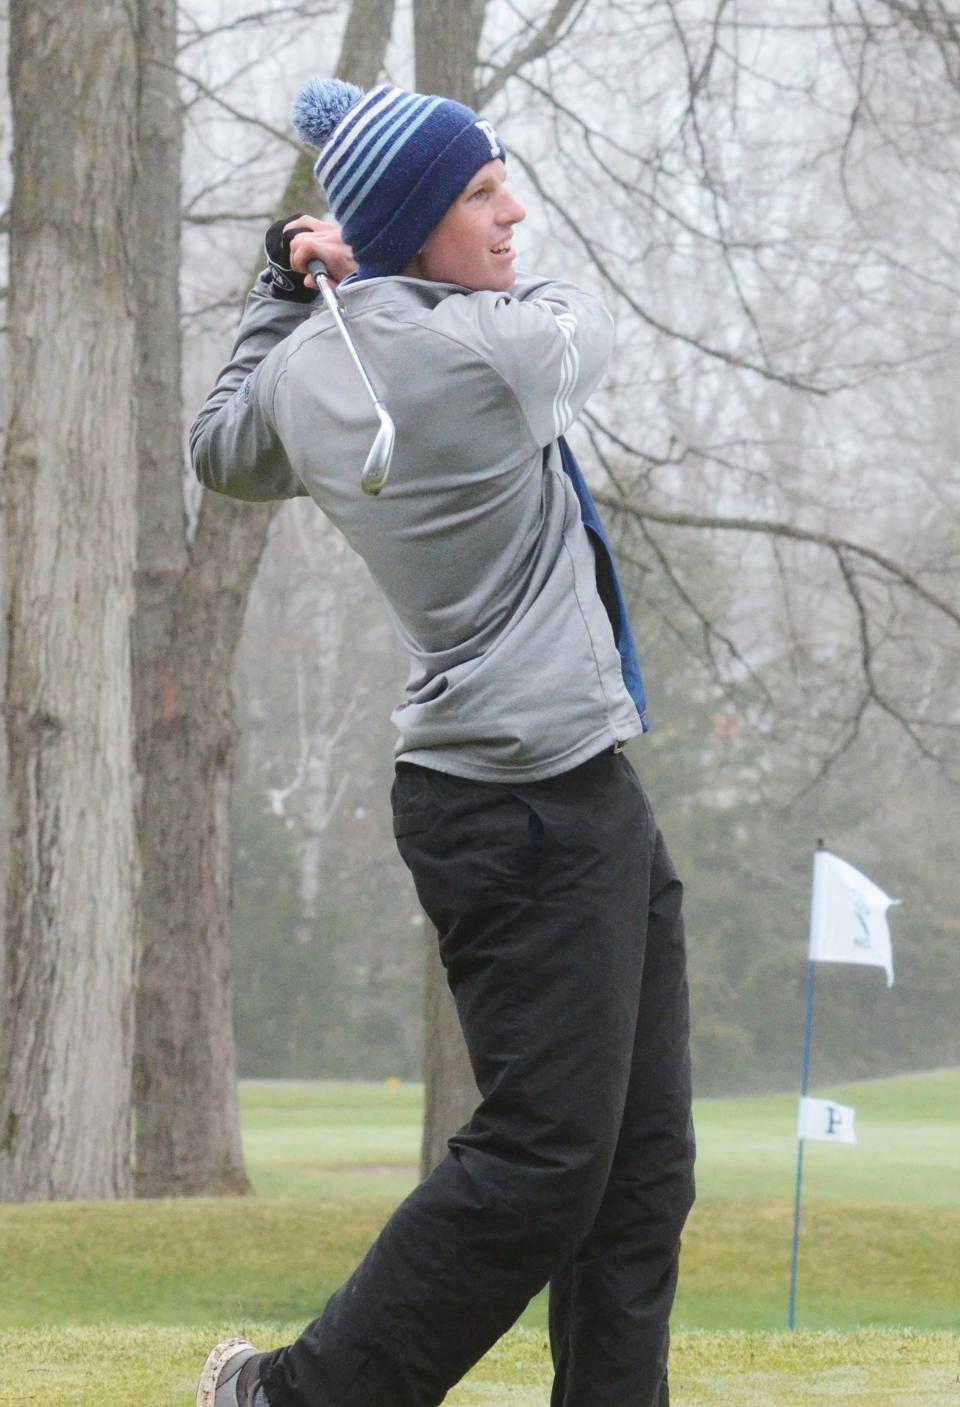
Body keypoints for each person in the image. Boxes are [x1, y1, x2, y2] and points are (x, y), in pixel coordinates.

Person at [193, 76, 695, 1407]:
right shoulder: (487, 349)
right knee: (548, 1158)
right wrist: (359, 265)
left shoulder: (318, 367)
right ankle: (288, 1398)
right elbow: (582, 330)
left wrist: (290, 285)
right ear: (416, 220)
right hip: (525, 812)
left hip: (565, 793)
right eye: (481, 193)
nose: (513, 211)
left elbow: (218, 447)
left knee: (639, 1173)